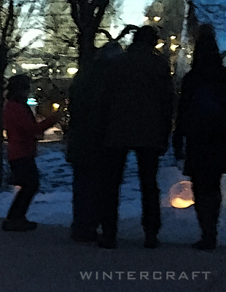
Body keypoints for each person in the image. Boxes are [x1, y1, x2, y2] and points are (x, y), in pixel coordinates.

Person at [99, 26, 173, 249]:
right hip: (149, 131)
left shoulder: (117, 64)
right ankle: (150, 233)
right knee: (149, 184)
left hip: (118, 129)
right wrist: (164, 133)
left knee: (112, 183)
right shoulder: (159, 65)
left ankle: (109, 232)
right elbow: (167, 102)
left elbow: (105, 99)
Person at [173, 24, 226, 250]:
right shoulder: (223, 76)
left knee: (201, 186)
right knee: (214, 185)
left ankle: (207, 231)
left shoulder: (192, 78)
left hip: (198, 138)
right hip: (221, 137)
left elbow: (184, 111)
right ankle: (212, 228)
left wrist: (179, 138)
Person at [66, 41, 123, 242]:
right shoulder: (113, 79)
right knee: (102, 185)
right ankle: (93, 224)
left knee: (82, 184)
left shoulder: (83, 77)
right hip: (102, 140)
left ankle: (81, 224)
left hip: (81, 139)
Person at [2, 74, 61, 232]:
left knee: (29, 185)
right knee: (30, 185)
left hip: (19, 151)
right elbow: (31, 128)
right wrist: (53, 119)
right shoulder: (17, 107)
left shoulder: (13, 106)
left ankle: (16, 217)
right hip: (22, 152)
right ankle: (15, 217)